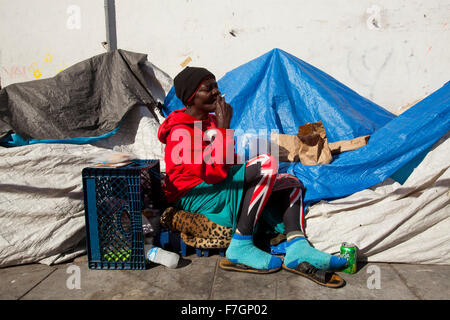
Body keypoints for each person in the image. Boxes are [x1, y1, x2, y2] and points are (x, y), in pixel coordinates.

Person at [157, 66, 347, 285]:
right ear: (191, 98)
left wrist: (222, 131)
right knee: (266, 164)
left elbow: (227, 164)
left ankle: (297, 247)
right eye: (208, 89)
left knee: (290, 182)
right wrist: (224, 128)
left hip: (218, 186)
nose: (217, 92)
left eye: (216, 86)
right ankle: (241, 244)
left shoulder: (209, 122)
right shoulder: (179, 131)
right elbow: (214, 174)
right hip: (196, 194)